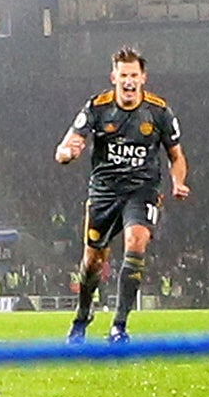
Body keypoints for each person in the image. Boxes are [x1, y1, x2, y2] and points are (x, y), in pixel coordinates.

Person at [54, 46, 186, 345]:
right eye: (123, 75)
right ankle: (81, 318)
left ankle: (119, 326)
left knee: (136, 242)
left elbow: (176, 156)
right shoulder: (97, 108)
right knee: (93, 262)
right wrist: (66, 153)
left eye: (134, 75)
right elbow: (67, 145)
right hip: (104, 191)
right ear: (114, 76)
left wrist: (178, 182)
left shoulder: (159, 112)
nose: (128, 81)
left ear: (143, 78)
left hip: (142, 190)